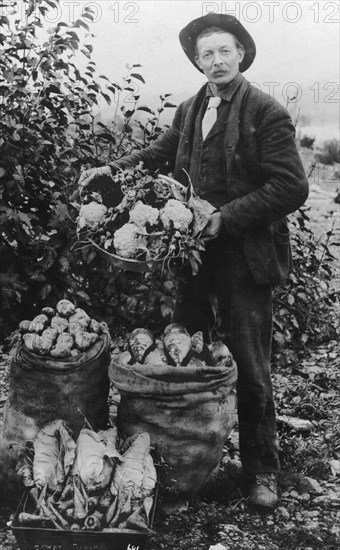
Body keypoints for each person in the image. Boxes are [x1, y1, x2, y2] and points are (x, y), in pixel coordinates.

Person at [78, 13, 309, 510]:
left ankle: (260, 471)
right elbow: (159, 153)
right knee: (181, 355)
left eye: (225, 51)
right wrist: (109, 171)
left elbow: (291, 186)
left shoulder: (265, 112)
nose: (216, 60)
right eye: (206, 54)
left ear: (242, 54)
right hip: (194, 259)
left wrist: (224, 219)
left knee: (250, 364)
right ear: (197, 61)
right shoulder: (191, 108)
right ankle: (183, 461)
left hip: (245, 258)